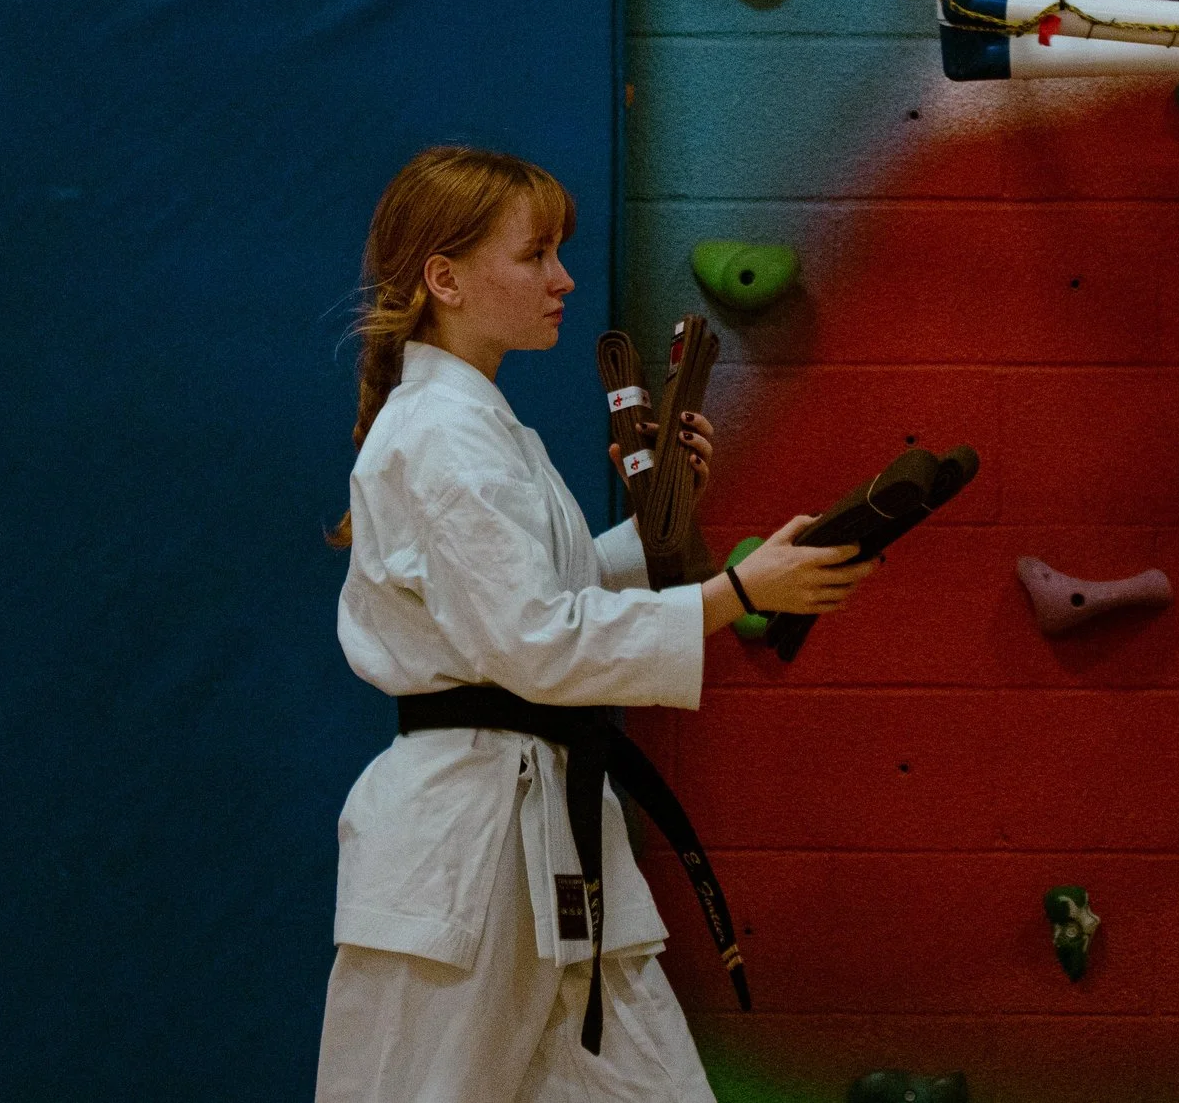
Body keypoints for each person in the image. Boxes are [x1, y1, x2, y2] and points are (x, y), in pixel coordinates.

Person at [314, 145, 880, 1102]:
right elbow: (535, 642)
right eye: (534, 254)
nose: (563, 278)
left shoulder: (481, 425)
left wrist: (658, 525)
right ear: (446, 279)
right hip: (466, 845)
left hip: (547, 831)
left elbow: (534, 602)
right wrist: (736, 595)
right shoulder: (442, 434)